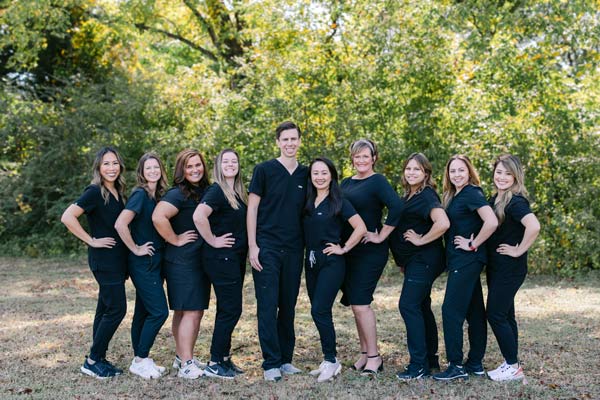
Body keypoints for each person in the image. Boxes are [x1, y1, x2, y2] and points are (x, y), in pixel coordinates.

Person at [247, 121, 309, 381]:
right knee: (268, 305)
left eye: (294, 139)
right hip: (267, 247)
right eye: (285, 139)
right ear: (278, 142)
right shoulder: (264, 170)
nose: (290, 143)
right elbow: (252, 209)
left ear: (299, 141)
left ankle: (285, 359)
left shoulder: (307, 174)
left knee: (288, 305)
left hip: (295, 249)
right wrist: (253, 246)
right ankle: (270, 363)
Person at [61, 146, 128, 378]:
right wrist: (91, 240)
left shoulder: (119, 192)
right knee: (117, 308)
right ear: (99, 167)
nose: (111, 168)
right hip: (104, 260)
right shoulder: (93, 192)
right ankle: (92, 360)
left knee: (105, 308)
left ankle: (98, 358)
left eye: (115, 163)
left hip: (118, 261)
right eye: (106, 164)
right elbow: (67, 217)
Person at [433, 154, 498, 381]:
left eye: (461, 170)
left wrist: (473, 243)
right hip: (462, 261)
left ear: (469, 172)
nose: (457, 174)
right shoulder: (455, 195)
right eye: (453, 171)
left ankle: (456, 366)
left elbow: (491, 221)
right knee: (475, 312)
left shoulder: (472, 192)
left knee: (450, 311)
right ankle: (475, 363)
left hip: (467, 260)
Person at [342, 139, 403, 376]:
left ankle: (375, 357)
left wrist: (382, 235)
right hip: (350, 250)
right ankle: (364, 353)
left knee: (361, 303)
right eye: (357, 156)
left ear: (374, 158)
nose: (361, 160)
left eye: (365, 156)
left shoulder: (377, 181)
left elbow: (397, 207)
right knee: (355, 305)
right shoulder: (346, 182)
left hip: (369, 250)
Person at [303, 157, 367, 383]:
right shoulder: (308, 200)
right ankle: (327, 359)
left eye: (324, 173)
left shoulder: (339, 201)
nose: (319, 177)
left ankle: (332, 360)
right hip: (310, 262)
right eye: (315, 173)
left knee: (319, 310)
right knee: (318, 310)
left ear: (332, 175)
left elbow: (360, 227)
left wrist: (344, 248)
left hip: (332, 261)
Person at [389, 153, 450, 380]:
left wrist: (421, 239)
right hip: (415, 261)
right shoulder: (409, 195)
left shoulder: (426, 196)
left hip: (424, 258)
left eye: (417, 169)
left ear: (426, 173)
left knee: (408, 305)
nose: (412, 172)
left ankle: (418, 366)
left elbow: (443, 223)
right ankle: (430, 360)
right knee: (421, 306)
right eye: (408, 168)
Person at [152, 149, 210, 379]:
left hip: (195, 260)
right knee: (193, 311)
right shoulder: (179, 194)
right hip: (183, 261)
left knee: (184, 311)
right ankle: (187, 363)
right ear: (181, 170)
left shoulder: (202, 191)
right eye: (189, 166)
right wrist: (174, 239)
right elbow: (158, 216)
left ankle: (181, 357)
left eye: (198, 165)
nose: (195, 169)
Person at [193, 149, 248, 379]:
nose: (230, 164)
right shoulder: (217, 190)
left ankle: (223, 358)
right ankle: (215, 362)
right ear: (218, 165)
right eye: (225, 161)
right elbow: (198, 216)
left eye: (234, 161)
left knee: (229, 308)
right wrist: (213, 240)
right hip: (221, 258)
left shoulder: (237, 191)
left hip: (233, 258)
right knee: (231, 308)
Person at [114, 152, 170, 379]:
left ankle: (141, 358)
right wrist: (136, 248)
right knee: (159, 312)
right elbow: (121, 224)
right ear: (141, 172)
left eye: (156, 167)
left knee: (144, 311)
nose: (153, 171)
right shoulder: (140, 194)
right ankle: (140, 359)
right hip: (142, 263)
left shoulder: (158, 196)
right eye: (148, 168)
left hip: (155, 262)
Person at [486, 154, 540, 382]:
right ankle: (511, 362)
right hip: (497, 267)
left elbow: (534, 226)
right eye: (499, 172)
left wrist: (518, 250)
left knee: (495, 313)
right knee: (507, 315)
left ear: (516, 176)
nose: (502, 177)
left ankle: (513, 366)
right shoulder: (496, 199)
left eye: (508, 173)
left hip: (510, 268)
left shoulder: (516, 202)